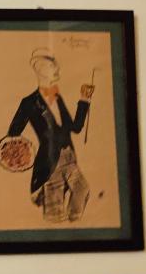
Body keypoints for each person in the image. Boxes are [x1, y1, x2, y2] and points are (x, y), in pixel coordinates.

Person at [6, 48, 94, 223]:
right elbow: (12, 135)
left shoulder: (57, 97)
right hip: (49, 163)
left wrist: (84, 99)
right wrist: (23, 154)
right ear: (40, 69)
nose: (57, 69)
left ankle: (76, 226)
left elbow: (75, 127)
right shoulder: (28, 102)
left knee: (82, 189)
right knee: (55, 213)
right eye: (53, 66)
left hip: (69, 157)